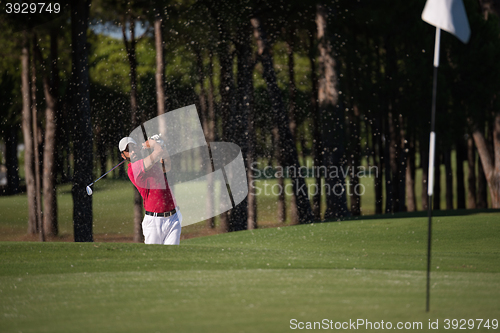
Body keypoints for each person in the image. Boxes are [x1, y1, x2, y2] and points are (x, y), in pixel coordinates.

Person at [119, 136, 182, 245]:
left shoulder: (150, 164)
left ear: (138, 148)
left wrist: (163, 146)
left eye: (133, 147)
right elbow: (157, 152)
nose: (132, 151)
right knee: (154, 259)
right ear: (123, 155)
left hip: (173, 217)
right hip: (154, 222)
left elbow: (167, 166)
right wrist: (154, 145)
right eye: (128, 150)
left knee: (172, 258)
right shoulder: (133, 169)